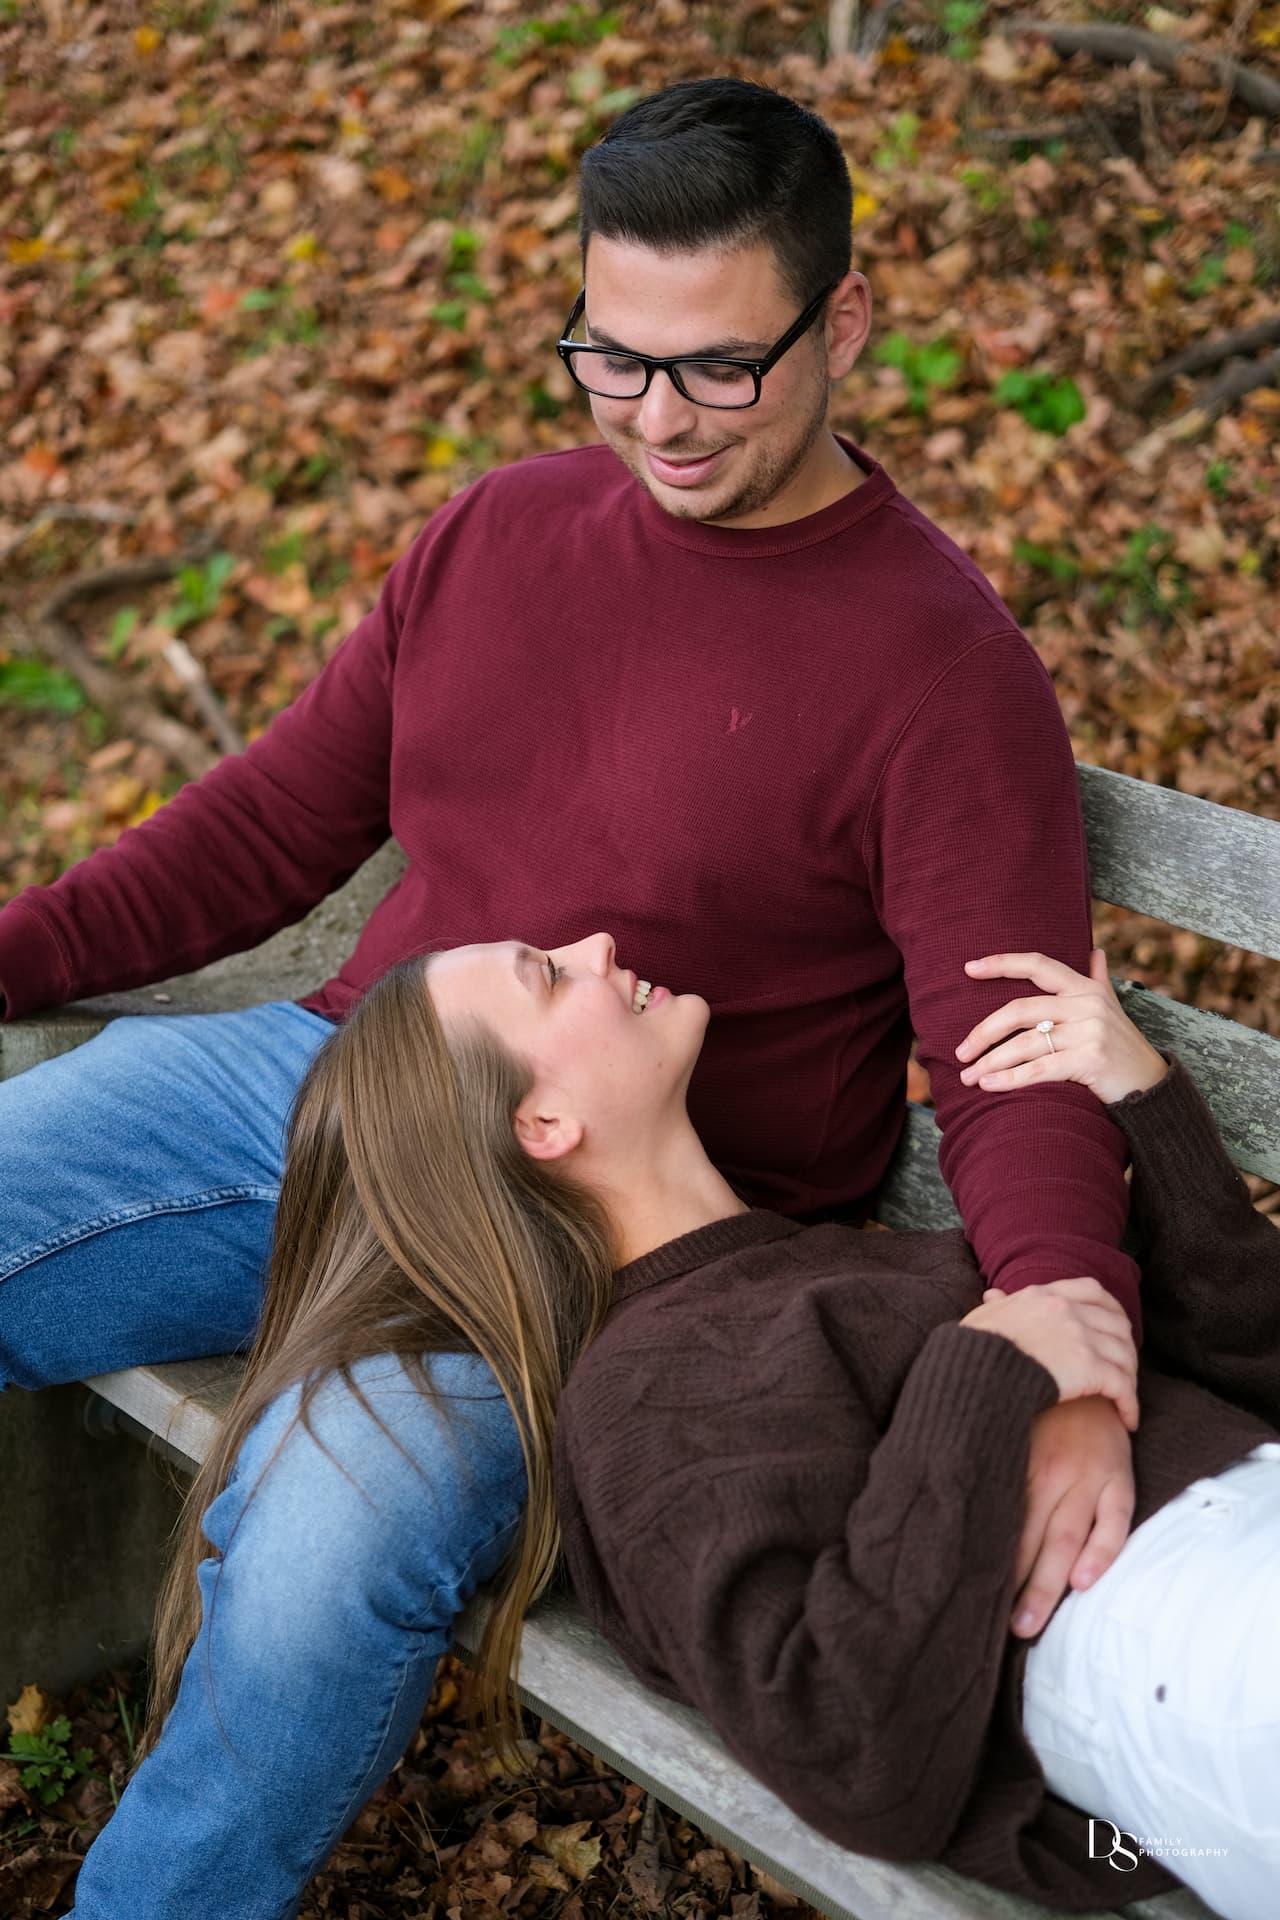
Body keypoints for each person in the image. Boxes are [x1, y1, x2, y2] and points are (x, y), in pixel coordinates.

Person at [0, 78, 1141, 1914]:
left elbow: (1019, 1051)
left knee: (323, 1546)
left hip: (600, 1267)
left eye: (718, 368)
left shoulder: (941, 670)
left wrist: (1069, 1335)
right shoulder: (502, 534)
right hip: (338, 1093)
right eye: (612, 358)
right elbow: (267, 827)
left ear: (844, 320)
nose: (658, 418)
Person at [395, 930, 1271, 1917]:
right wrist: (988, 1372)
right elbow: (847, 1743)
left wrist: (1145, 1103)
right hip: (1188, 1632)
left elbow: (1249, 1375)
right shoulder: (636, 1396)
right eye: (548, 977)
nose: (596, 944)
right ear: (544, 1122)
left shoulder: (826, 1266)